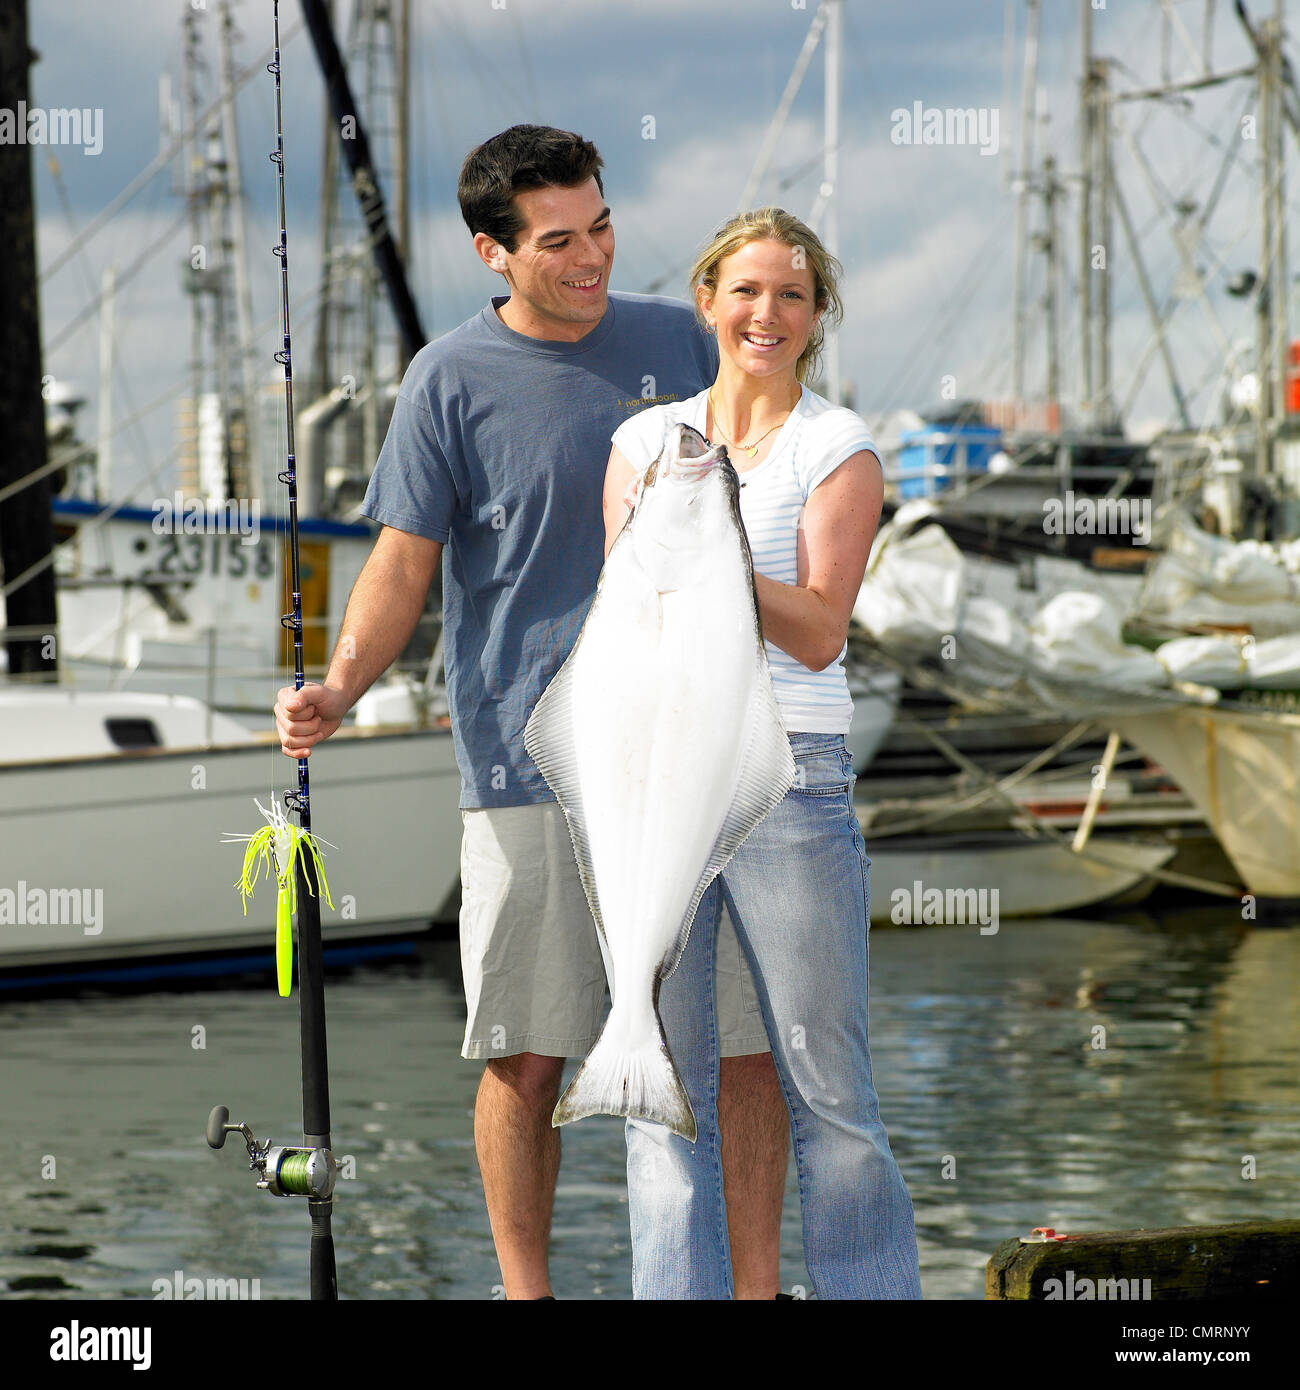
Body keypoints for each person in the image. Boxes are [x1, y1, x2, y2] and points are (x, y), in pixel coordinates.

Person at [273, 126, 790, 1299]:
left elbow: (794, 445)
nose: (591, 256)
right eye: (558, 241)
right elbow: (402, 566)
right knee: (523, 1054)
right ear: (492, 253)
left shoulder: (683, 340)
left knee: (749, 1053)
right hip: (525, 763)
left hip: (701, 758)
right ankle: (526, 1292)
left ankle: (755, 1292)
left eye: (601, 227)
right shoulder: (447, 380)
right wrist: (339, 687)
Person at [602, 207, 922, 1300]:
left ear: (816, 314)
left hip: (792, 775)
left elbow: (822, 628)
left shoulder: (838, 446)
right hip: (658, 786)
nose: (765, 313)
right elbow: (621, 617)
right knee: (660, 1092)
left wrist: (703, 554)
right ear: (706, 300)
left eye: (790, 295)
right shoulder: (643, 443)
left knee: (827, 1089)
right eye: (745, 291)